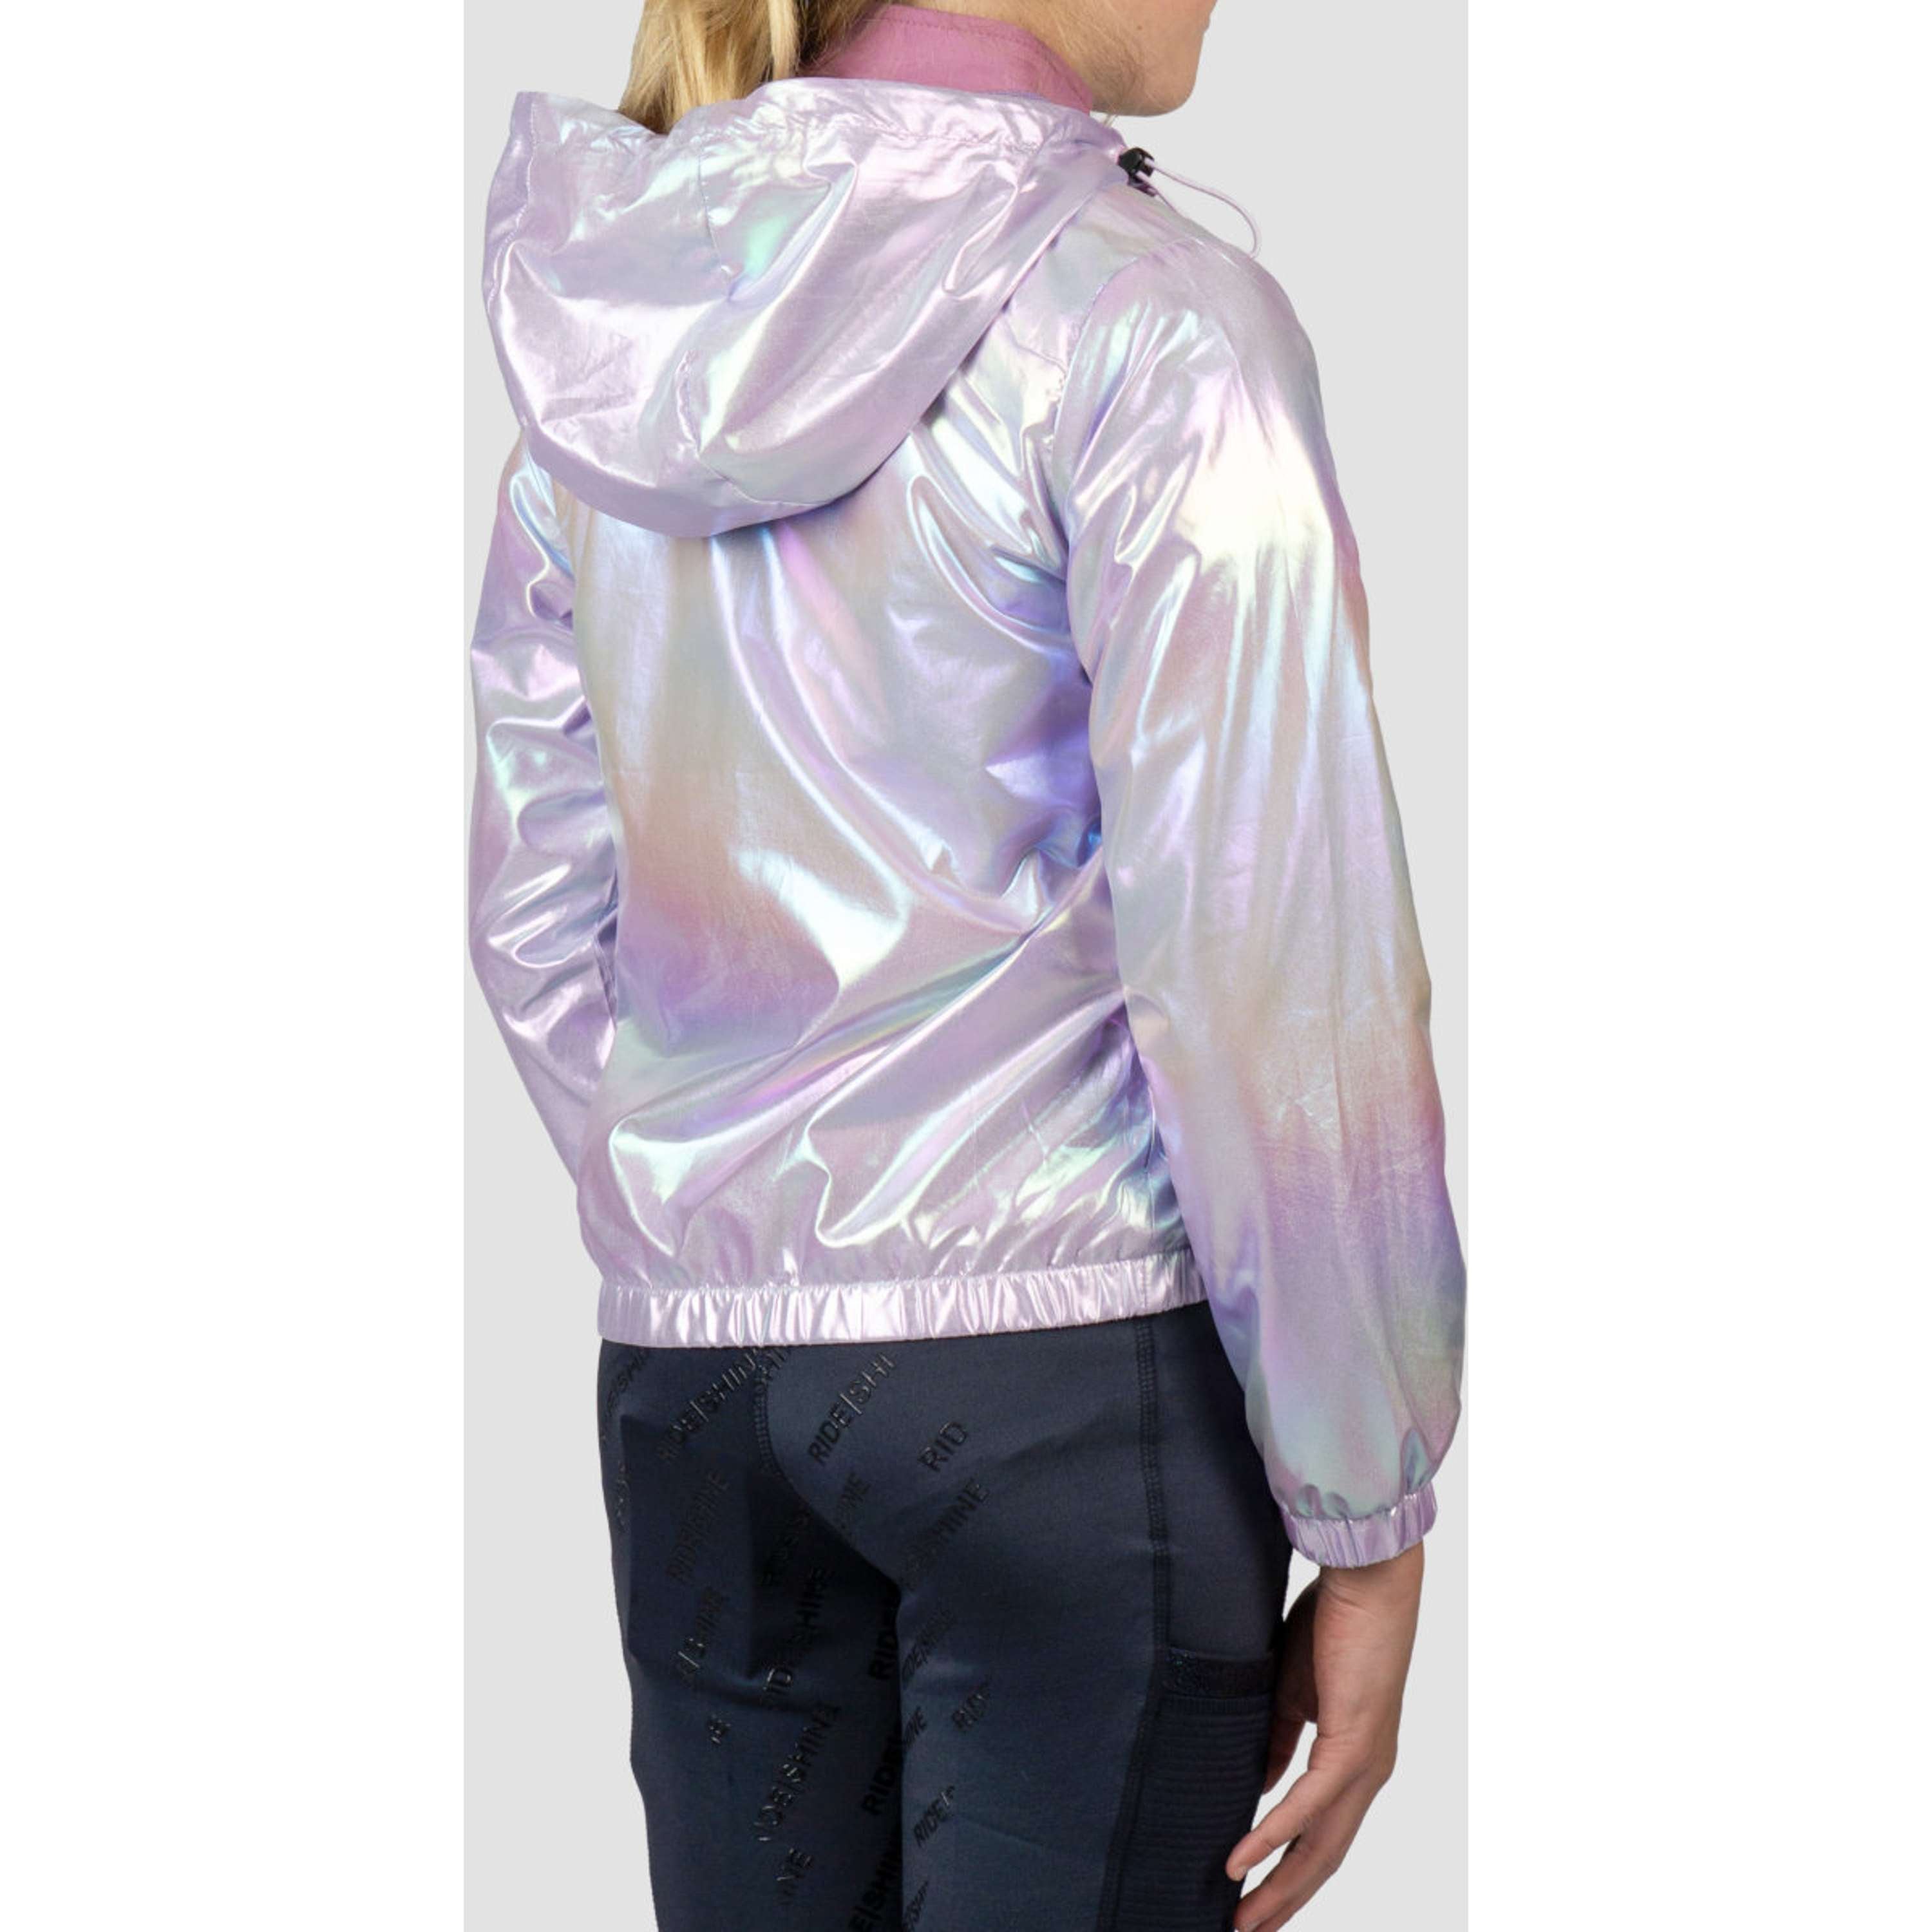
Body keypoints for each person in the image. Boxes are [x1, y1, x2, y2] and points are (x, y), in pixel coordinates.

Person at [467, 3, 1466, 1926]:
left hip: (700, 1405)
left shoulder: (617, 335)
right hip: (1070, 1394)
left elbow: (540, 897)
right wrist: (1369, 1505)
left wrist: (724, 1210)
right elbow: (1277, 957)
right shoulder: (1152, 324)